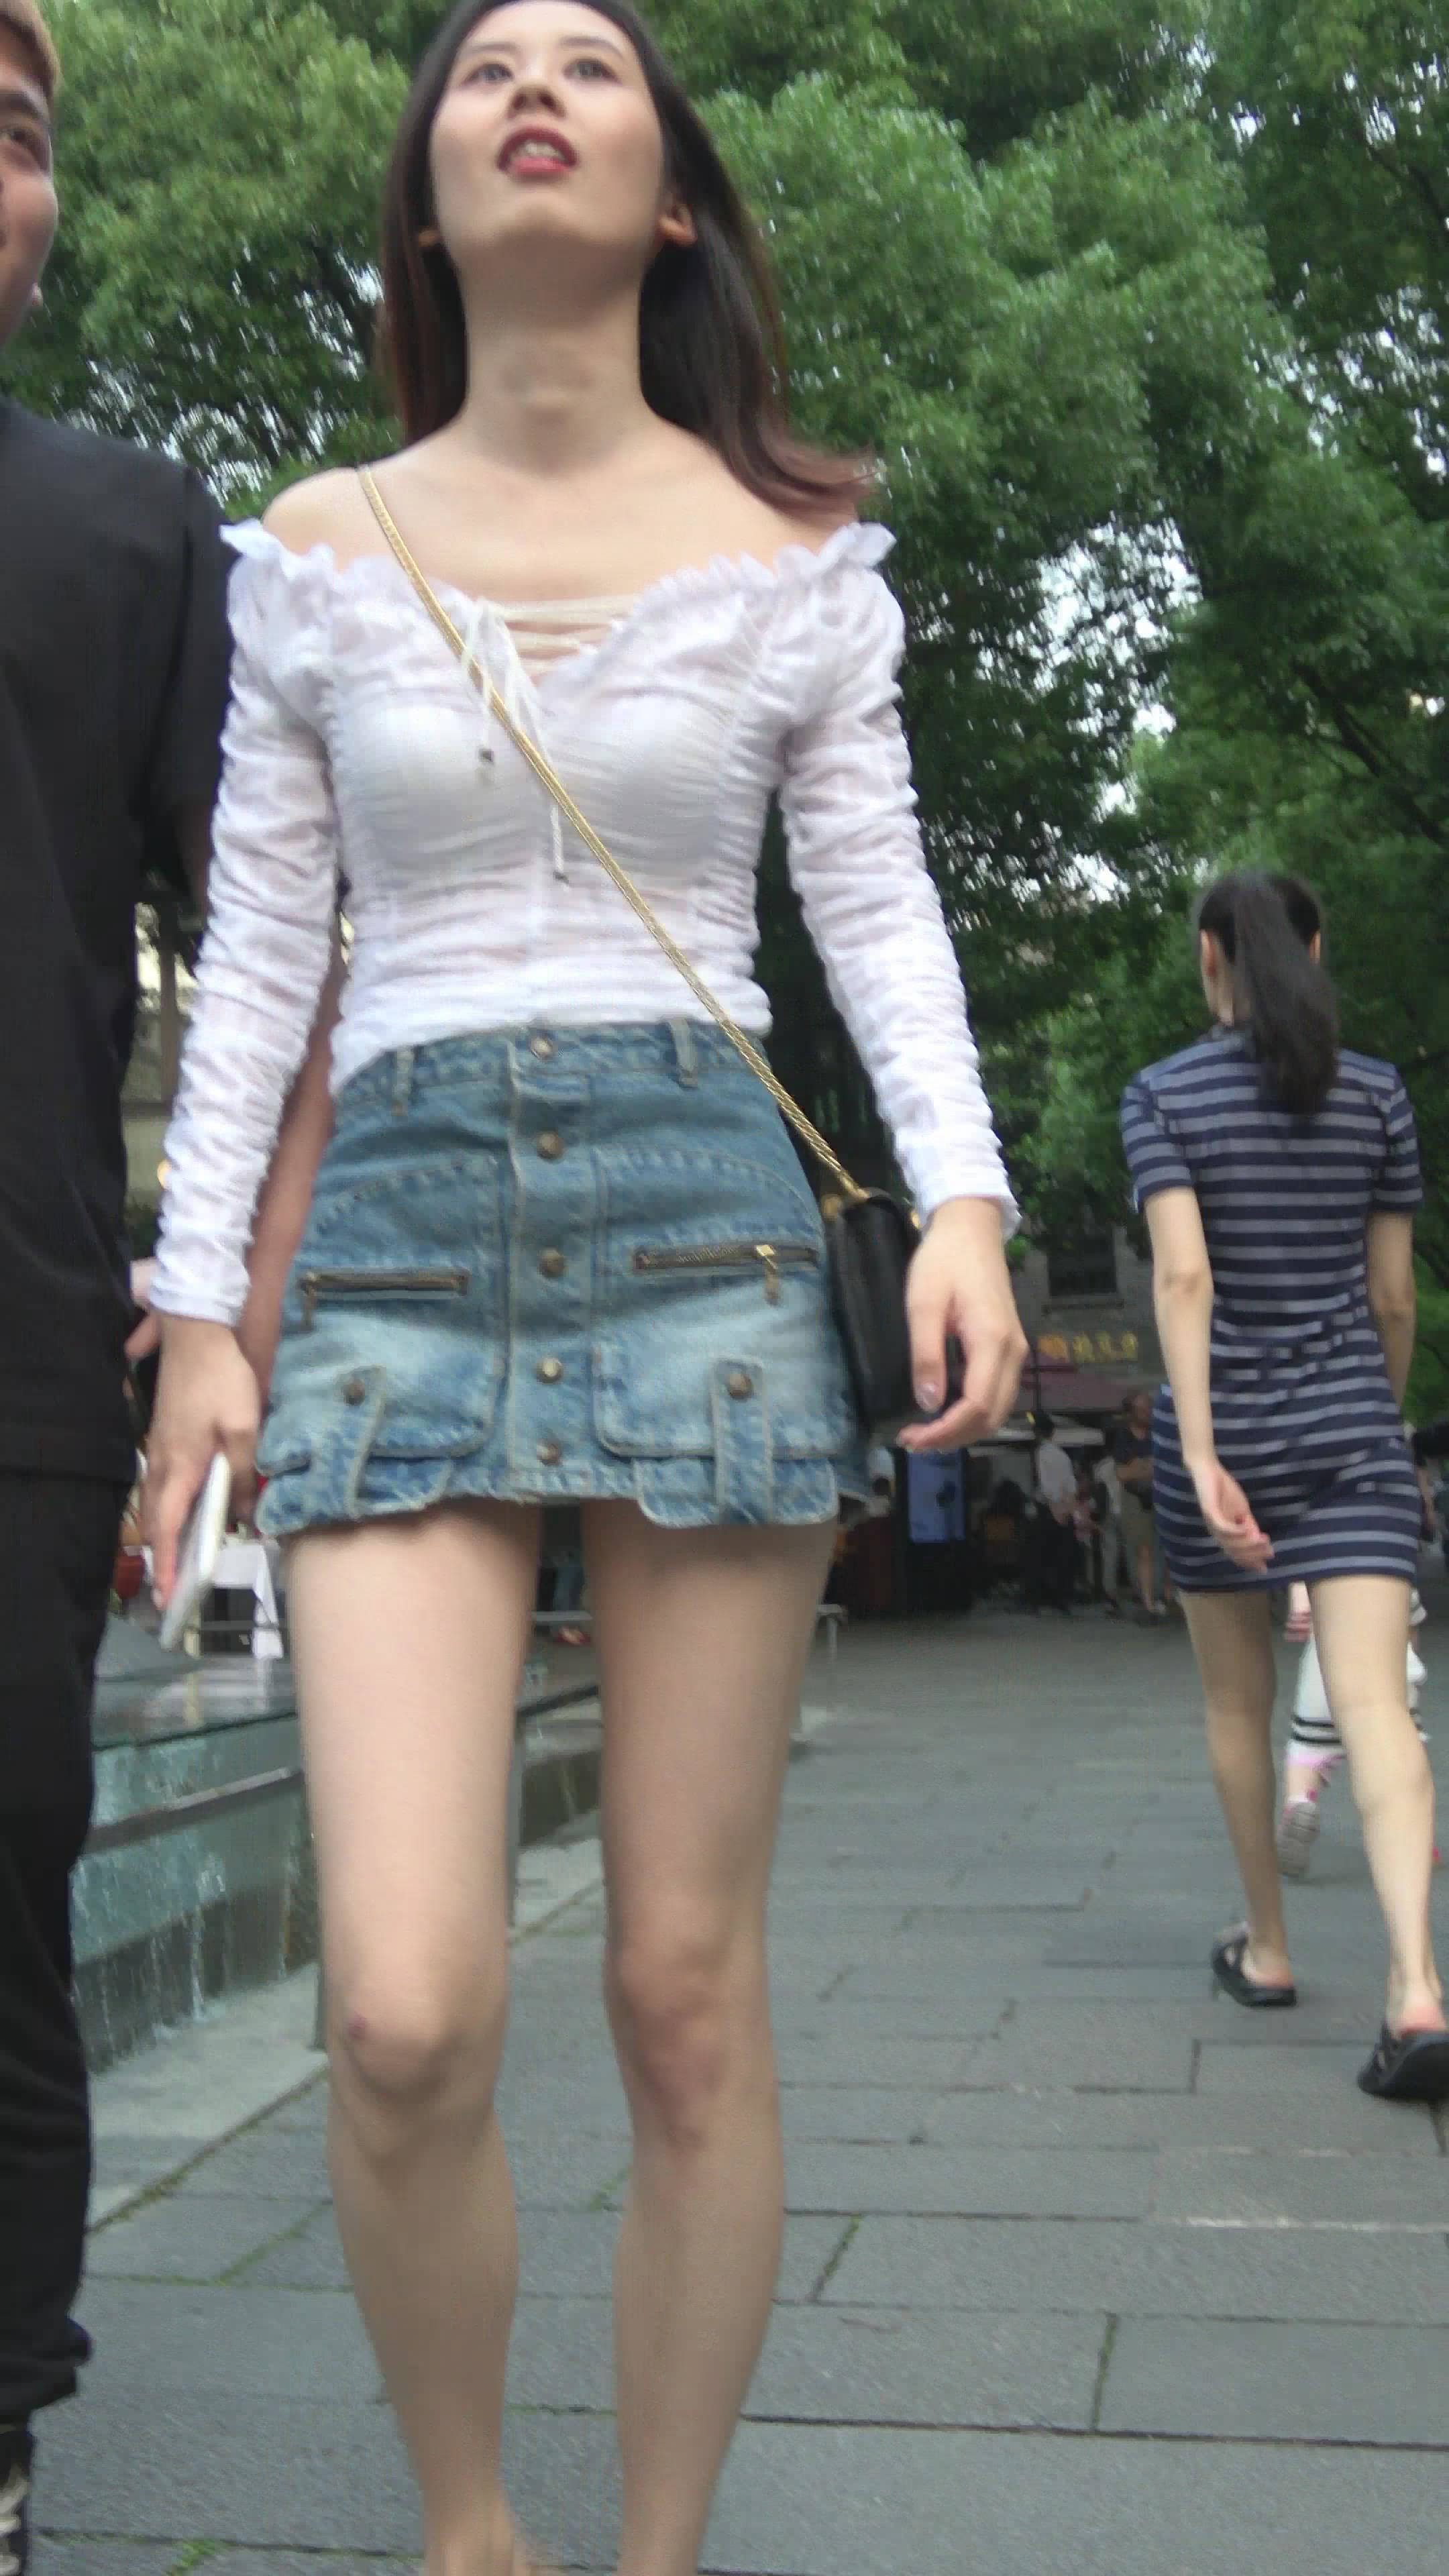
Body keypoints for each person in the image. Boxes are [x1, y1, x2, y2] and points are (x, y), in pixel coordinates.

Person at [142, 7, 1026, 2571]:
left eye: (593, 66)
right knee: (406, 2005)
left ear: (672, 198)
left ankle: (651, 2549)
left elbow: (875, 906)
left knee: (678, 1991)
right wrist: (201, 1307)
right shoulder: (316, 546)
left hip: (704, 1227)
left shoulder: (793, 553)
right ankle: (469, 2534)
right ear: (428, 200)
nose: (534, 82)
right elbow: (261, 954)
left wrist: (966, 1200)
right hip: (398, 1243)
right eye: (484, 68)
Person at [1121, 869, 1447, 2102]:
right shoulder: (1377, 1093)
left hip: (1227, 1439)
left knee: (1235, 1705)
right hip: (1354, 1430)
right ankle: (1417, 1988)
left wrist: (1204, 1455)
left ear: (1211, 958)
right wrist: (1380, 1420)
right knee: (1377, 1710)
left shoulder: (1163, 1095)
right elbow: (1393, 1297)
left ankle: (1267, 1948)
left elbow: (1184, 1280)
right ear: (1316, 948)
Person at [1113, 1390, 1162, 1619]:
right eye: (1142, 1409)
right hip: (1136, 1498)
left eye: (1149, 1407)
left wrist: (1139, 1466)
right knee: (1144, 1549)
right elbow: (1122, 1474)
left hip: (1160, 1495)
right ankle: (1148, 1601)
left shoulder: (1158, 1433)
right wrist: (1148, 1466)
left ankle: (1168, 1596)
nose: (1147, 1412)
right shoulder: (1123, 1437)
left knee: (1169, 1548)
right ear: (1131, 1413)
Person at [1024, 1412, 1076, 1611]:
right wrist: (1067, 1508)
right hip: (1064, 1506)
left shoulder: (1041, 1454)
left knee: (1038, 1556)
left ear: (1037, 1433)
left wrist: (1054, 1507)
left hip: (1047, 1509)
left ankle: (1036, 1599)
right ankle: (1061, 1597)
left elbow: (1046, 1485)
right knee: (1061, 1556)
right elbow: (1070, 1484)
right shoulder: (1062, 1455)